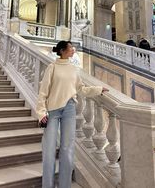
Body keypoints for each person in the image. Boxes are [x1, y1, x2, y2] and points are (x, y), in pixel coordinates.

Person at [36, 40, 108, 188]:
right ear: (62, 50)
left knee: (68, 149)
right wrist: (41, 112)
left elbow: (81, 89)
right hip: (53, 111)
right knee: (49, 150)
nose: (73, 49)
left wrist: (99, 89)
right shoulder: (52, 67)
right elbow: (43, 92)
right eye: (70, 47)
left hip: (69, 109)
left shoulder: (74, 69)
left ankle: (65, 185)